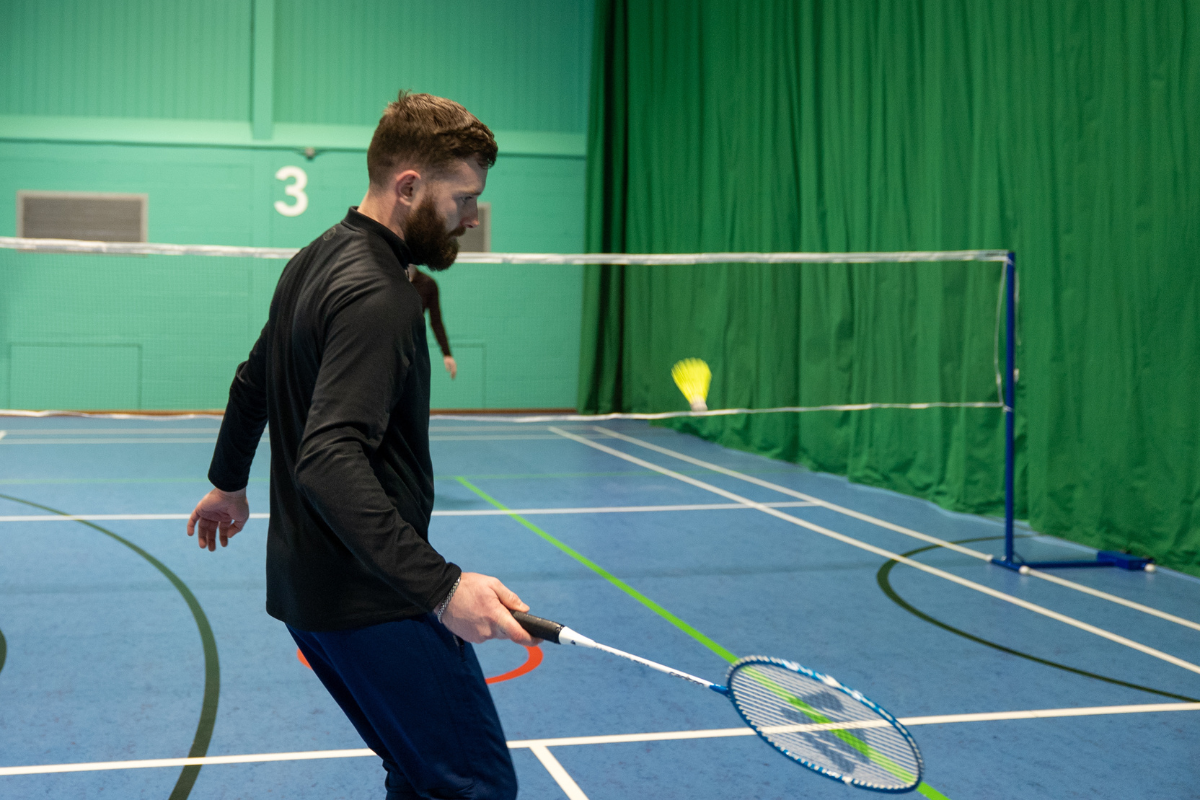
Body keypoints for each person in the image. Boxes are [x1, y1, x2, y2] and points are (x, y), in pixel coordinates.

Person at [186, 91, 534, 800]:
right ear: (408, 187)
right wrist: (442, 588)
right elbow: (328, 458)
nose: (472, 217)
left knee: (416, 774)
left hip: (307, 597)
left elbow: (254, 380)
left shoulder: (313, 259)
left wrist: (228, 483)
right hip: (375, 599)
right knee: (475, 787)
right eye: (464, 198)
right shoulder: (383, 295)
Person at [407, 264, 457, 379]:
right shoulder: (391, 281)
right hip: (393, 347)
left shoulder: (428, 284)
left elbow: (436, 322)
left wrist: (447, 353)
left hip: (416, 347)